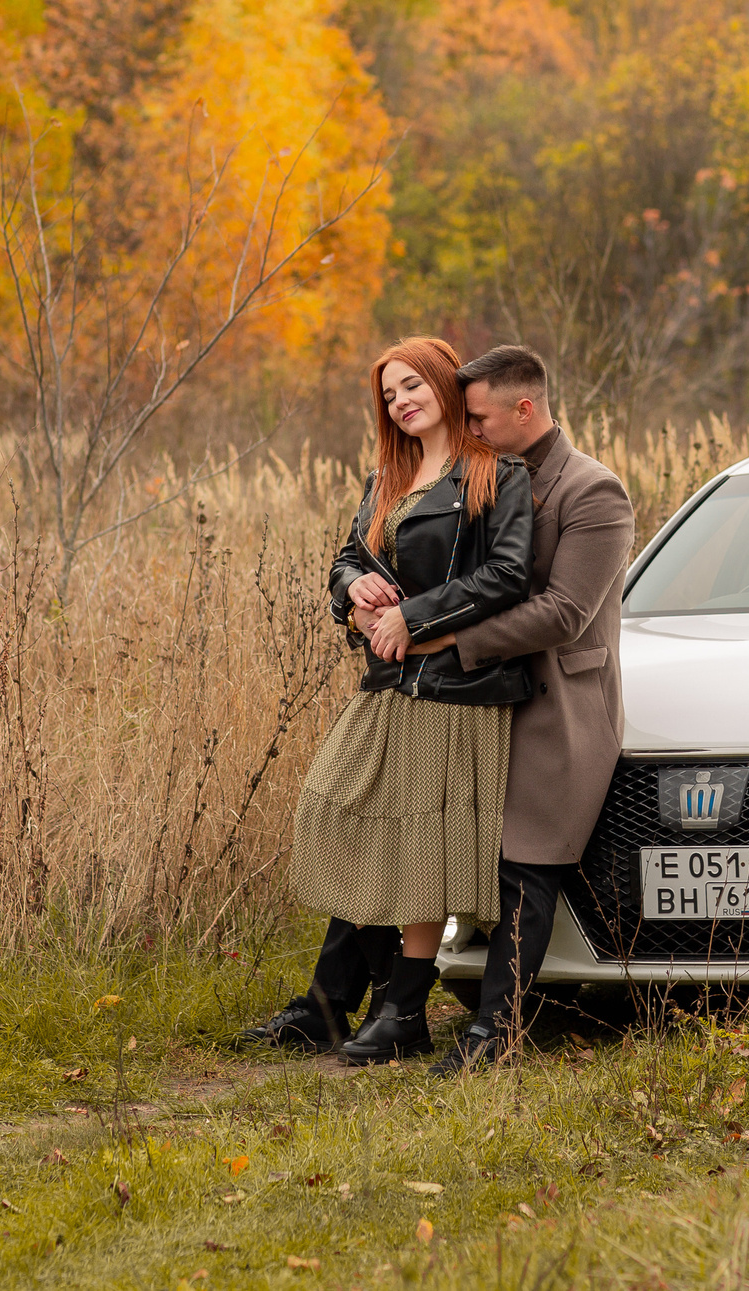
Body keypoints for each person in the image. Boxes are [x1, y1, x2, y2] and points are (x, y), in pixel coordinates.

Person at [245, 337, 535, 1065]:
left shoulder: (497, 475)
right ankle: (353, 1000)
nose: (401, 401)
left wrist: (414, 616)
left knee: (418, 847)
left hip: (454, 692)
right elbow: (347, 559)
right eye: (388, 394)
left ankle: (400, 1010)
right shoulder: (388, 478)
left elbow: (507, 575)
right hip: (388, 684)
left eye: (411, 385)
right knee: (343, 816)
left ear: (442, 382)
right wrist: (354, 591)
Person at [419, 345, 636, 1075]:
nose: (470, 430)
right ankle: (380, 1009)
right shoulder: (477, 478)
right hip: (478, 701)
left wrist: (451, 639)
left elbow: (567, 612)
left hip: (558, 707)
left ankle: (494, 1032)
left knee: (526, 866)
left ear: (524, 408)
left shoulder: (592, 491)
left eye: (479, 417)